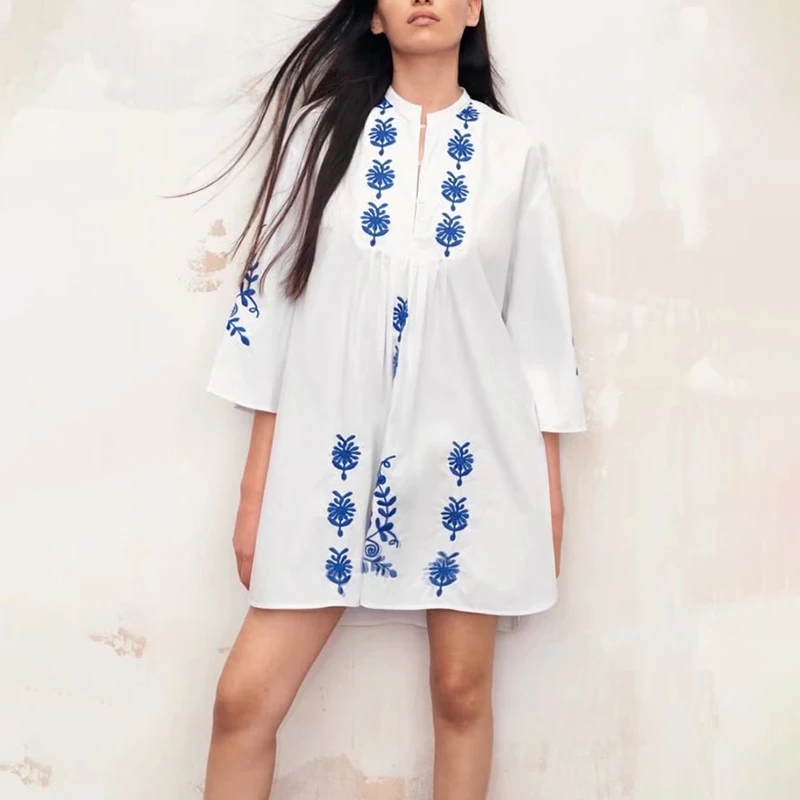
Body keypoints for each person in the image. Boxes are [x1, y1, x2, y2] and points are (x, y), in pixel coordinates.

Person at [201, 1, 587, 797]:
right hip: (330, 457)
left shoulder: (514, 155)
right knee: (243, 702)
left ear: (473, 10)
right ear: (373, 18)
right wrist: (256, 487)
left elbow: (539, 338)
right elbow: (274, 315)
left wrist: (547, 494)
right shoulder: (320, 139)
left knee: (460, 693)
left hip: (469, 461)